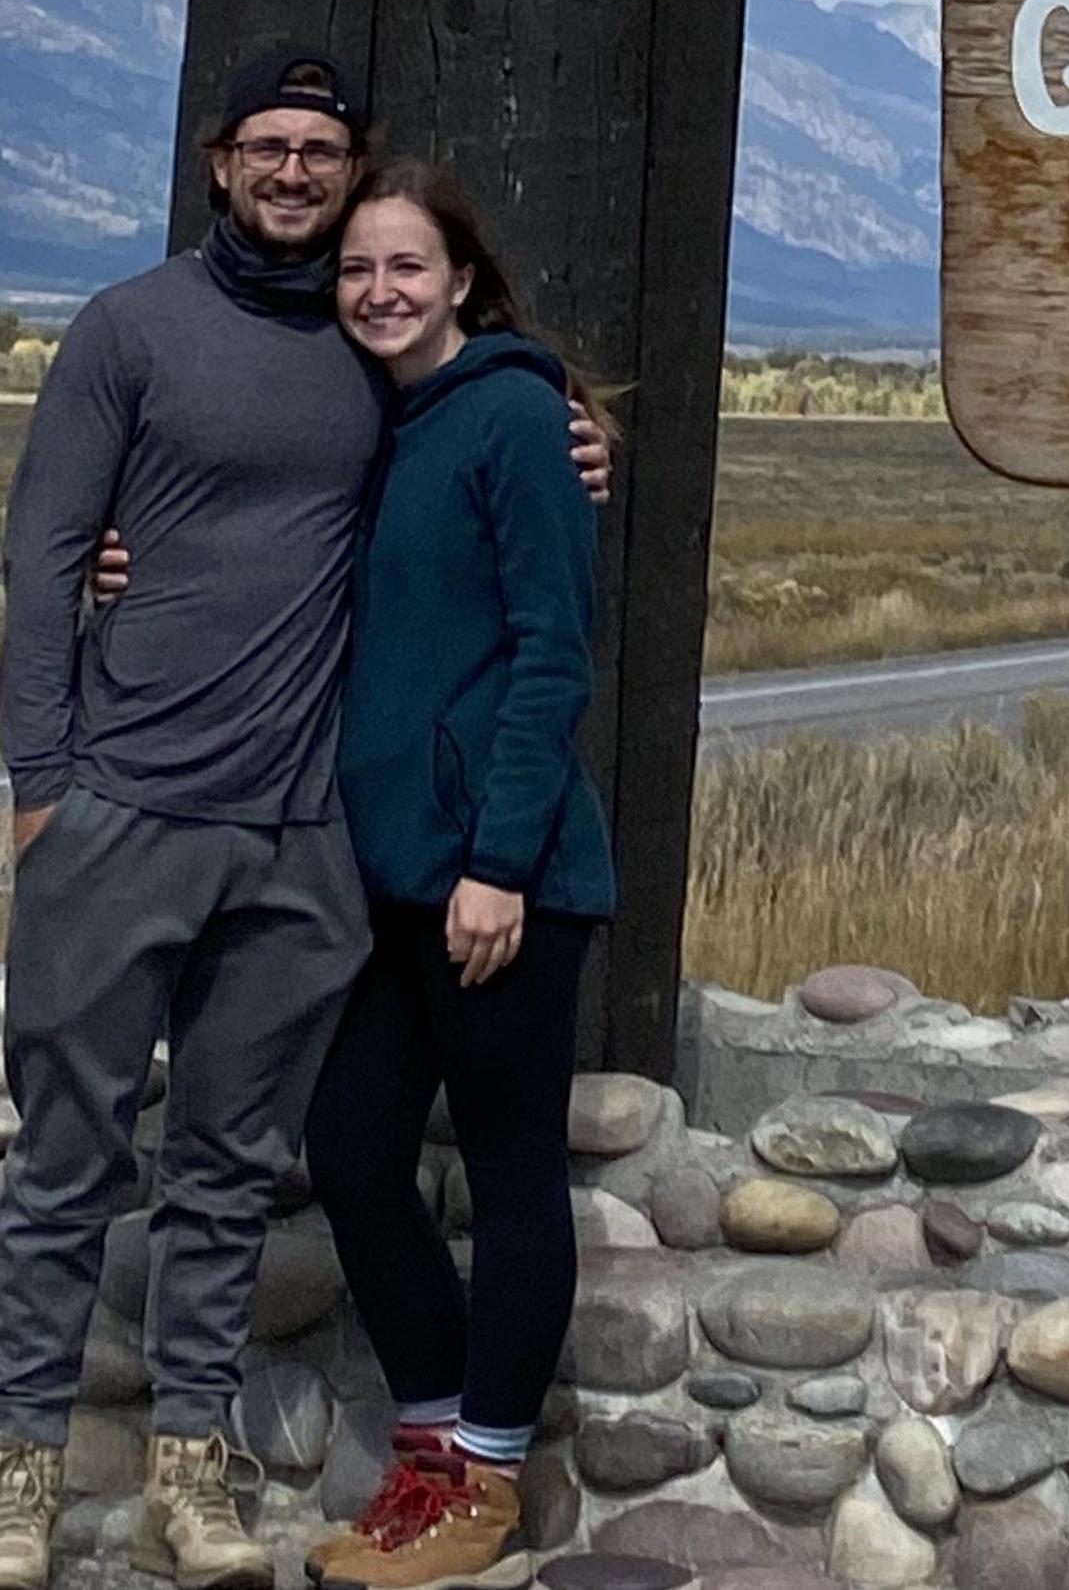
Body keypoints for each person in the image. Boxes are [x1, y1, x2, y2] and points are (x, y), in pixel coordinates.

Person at [0, 51, 607, 1590]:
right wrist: (41, 791)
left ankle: (192, 1480)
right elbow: (42, 561)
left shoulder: (394, 363)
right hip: (124, 808)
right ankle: (18, 1471)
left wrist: (584, 433)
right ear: (218, 164)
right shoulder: (131, 333)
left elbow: (510, 447)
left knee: (222, 1165)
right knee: (63, 1165)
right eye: (266, 146)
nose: (291, 172)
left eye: (319, 152)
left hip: (306, 840)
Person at [289, 163, 616, 1590]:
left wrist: (500, 861)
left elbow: (556, 651)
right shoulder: (384, 421)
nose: (379, 291)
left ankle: (484, 1479)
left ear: (463, 282)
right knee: (354, 1146)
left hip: (502, 884)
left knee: (510, 1170)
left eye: (406, 267)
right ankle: (435, 1457)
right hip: (392, 884)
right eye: (358, 269)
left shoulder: (510, 419)